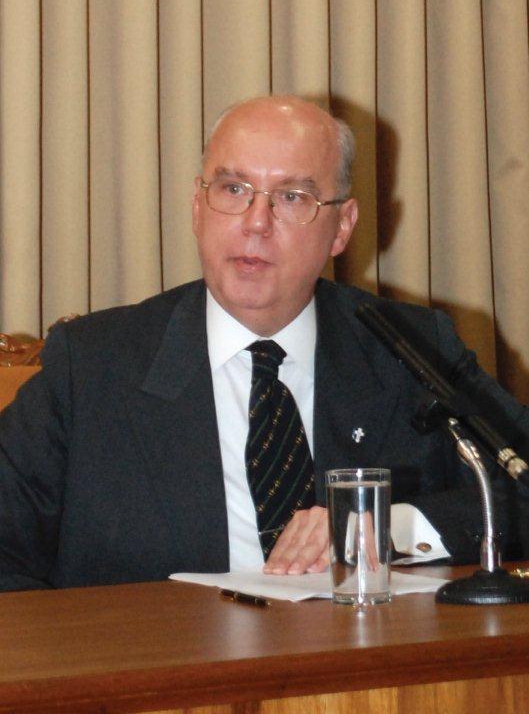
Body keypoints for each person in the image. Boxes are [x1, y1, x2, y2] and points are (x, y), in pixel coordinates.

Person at [0, 96, 528, 592]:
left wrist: (386, 527)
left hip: (367, 655)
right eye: (233, 190)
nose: (256, 223)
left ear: (342, 227)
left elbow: (523, 484)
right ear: (197, 208)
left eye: (292, 198)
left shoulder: (410, 348)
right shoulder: (92, 363)